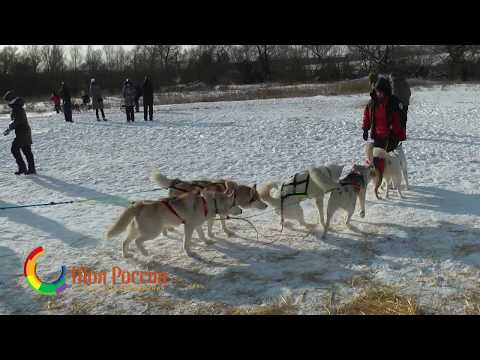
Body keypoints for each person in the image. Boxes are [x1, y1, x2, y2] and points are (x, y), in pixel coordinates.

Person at [362, 77, 406, 193]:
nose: (378, 93)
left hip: (390, 136)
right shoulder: (372, 103)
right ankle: (379, 180)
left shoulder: (393, 103)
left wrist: (396, 131)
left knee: (389, 160)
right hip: (377, 135)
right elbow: (367, 116)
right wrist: (365, 129)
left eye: (381, 91)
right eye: (377, 91)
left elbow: (398, 119)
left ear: (386, 91)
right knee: (378, 160)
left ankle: (391, 181)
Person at [3, 90, 36, 175]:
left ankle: (24, 168)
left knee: (14, 149)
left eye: (7, 100)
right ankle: (29, 169)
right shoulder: (17, 107)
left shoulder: (17, 108)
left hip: (23, 133)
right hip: (24, 132)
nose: (7, 103)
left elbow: (17, 121)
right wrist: (10, 129)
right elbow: (16, 121)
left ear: (11, 100)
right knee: (26, 150)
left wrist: (9, 128)